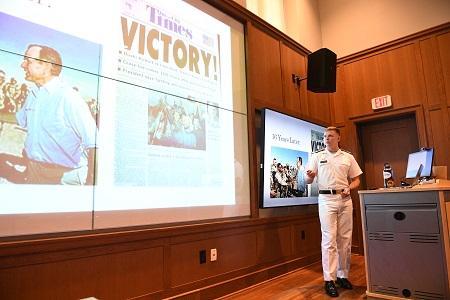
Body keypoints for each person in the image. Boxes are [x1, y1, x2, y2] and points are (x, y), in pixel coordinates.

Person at [16, 44, 97, 185]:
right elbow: (22, 122)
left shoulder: (69, 97)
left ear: (47, 66)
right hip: (33, 171)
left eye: (28, 61)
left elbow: (94, 143)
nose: (22, 65)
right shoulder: (33, 94)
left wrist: (91, 184)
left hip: (64, 177)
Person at [304, 126, 362, 297]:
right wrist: (310, 176)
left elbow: (356, 180)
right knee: (329, 239)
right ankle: (329, 280)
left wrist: (349, 188)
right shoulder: (317, 156)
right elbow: (307, 180)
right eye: (324, 136)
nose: (326, 138)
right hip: (326, 200)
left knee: (345, 239)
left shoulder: (348, 157)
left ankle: (342, 276)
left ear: (338, 138)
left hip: (345, 200)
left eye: (330, 136)